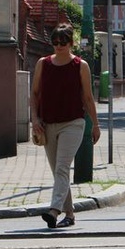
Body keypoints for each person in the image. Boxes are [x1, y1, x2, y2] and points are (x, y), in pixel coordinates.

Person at [30, 23, 101, 228]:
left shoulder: (81, 65)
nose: (58, 46)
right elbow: (34, 94)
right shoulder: (43, 64)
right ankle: (69, 215)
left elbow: (88, 98)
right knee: (58, 172)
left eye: (63, 42)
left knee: (62, 167)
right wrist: (34, 119)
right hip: (47, 124)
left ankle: (54, 210)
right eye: (55, 42)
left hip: (73, 123)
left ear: (71, 43)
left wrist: (95, 125)